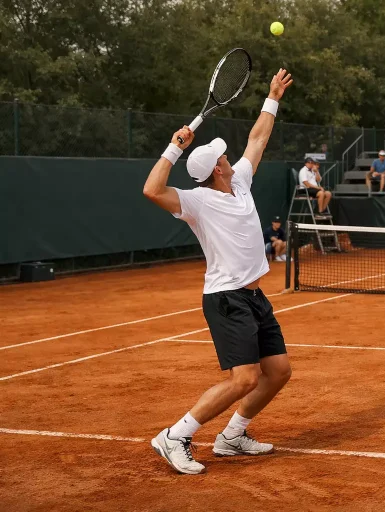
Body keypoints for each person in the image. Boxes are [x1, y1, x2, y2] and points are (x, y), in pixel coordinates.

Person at [143, 68, 294, 475]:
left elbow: (258, 138)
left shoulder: (240, 181)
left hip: (253, 296)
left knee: (278, 372)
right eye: (223, 156)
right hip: (226, 299)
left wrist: (272, 97)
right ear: (217, 169)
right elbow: (152, 190)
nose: (230, 157)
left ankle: (232, 437)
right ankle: (175, 435)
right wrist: (173, 148)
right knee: (244, 379)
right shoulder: (197, 203)